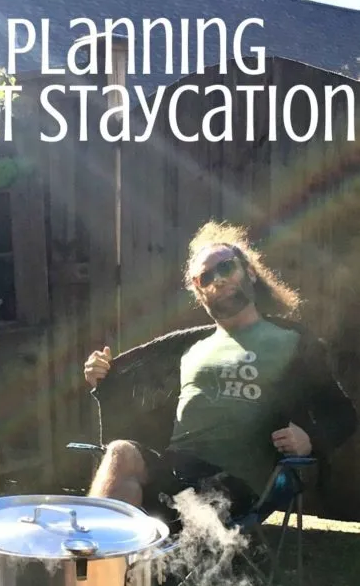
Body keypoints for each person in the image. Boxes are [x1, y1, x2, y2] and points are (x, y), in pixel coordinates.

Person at [83, 221, 356, 522]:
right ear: (199, 293)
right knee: (121, 453)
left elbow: (342, 413)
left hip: (233, 487)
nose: (217, 280)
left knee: (152, 509)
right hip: (175, 475)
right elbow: (142, 411)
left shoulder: (292, 341)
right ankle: (97, 566)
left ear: (250, 272)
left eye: (225, 268)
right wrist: (104, 378)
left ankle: (113, 562)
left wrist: (309, 439)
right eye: (204, 277)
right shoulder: (190, 348)